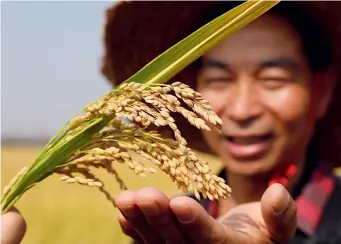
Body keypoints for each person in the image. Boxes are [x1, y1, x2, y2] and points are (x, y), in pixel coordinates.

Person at [2, 1, 341, 243]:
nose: (240, 109)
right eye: (220, 80)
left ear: (322, 90)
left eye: (273, 79)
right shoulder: (171, 225)